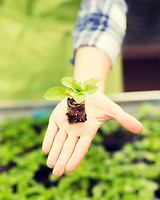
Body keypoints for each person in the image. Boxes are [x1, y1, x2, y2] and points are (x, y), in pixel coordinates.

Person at [42, 0, 143, 177]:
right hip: (13, 49)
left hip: (94, 54)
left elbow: (105, 6)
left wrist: (87, 78)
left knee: (95, 136)